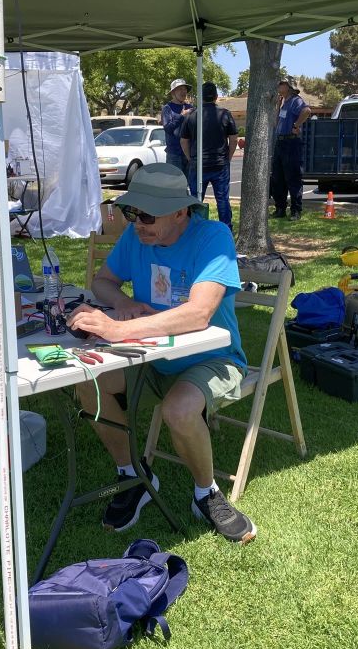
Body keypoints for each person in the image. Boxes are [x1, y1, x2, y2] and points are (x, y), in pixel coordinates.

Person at [67, 163, 257, 545]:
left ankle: (206, 493)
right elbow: (102, 282)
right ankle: (133, 476)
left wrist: (119, 330)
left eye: (147, 215)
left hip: (212, 358)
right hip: (152, 357)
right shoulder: (137, 237)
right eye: (131, 212)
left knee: (179, 410)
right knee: (88, 383)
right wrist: (123, 303)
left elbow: (199, 313)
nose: (137, 223)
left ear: (180, 212)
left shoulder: (213, 236)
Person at [179, 81, 238, 231]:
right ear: (216, 96)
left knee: (195, 200)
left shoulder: (191, 115)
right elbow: (233, 140)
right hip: (220, 164)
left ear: (201, 97)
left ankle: (194, 230)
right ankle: (226, 230)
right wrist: (228, 158)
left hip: (198, 164)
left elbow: (183, 141)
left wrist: (190, 158)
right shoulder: (225, 114)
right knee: (222, 200)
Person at [269, 78, 312, 220]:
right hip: (280, 143)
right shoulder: (283, 102)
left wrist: (296, 125)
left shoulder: (295, 100)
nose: (278, 85)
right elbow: (275, 123)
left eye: (281, 83)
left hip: (291, 142)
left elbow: (306, 110)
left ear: (289, 87)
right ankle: (280, 209)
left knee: (293, 178)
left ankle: (296, 211)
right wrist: (277, 106)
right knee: (278, 178)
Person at [161, 78, 193, 174]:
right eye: (180, 89)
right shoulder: (167, 108)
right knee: (175, 182)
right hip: (174, 154)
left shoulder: (190, 108)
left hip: (190, 153)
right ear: (173, 93)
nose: (184, 92)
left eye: (185, 89)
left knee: (190, 182)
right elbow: (168, 129)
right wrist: (181, 116)